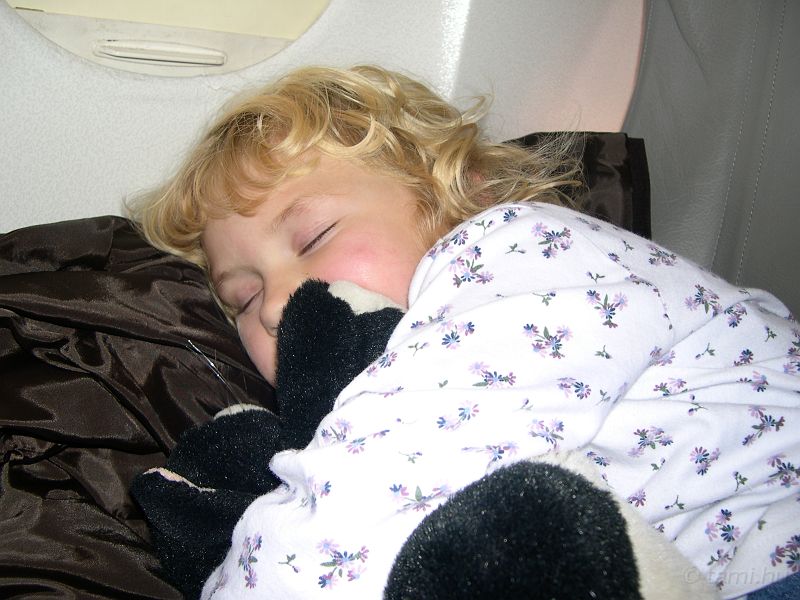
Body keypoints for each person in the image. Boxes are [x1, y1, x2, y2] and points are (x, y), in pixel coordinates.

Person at [130, 65, 799, 599]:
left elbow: (366, 510)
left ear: (462, 195)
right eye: (243, 298)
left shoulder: (516, 250)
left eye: (314, 236)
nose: (275, 304)